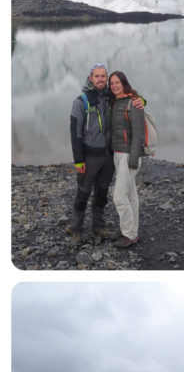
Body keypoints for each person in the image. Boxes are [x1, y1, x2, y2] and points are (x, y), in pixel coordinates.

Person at [68, 63, 144, 246]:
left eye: (104, 76)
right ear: (90, 78)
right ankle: (76, 229)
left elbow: (130, 98)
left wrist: (142, 101)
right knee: (83, 193)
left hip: (108, 157)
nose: (101, 80)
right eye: (97, 76)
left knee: (102, 193)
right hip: (89, 157)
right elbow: (75, 132)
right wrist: (78, 160)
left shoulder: (110, 98)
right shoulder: (81, 101)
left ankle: (99, 226)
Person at [108, 70, 145, 248]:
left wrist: (133, 159)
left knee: (119, 197)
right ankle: (130, 229)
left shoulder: (134, 103)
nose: (114, 86)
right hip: (118, 154)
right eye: (112, 83)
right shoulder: (115, 102)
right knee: (131, 195)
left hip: (129, 155)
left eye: (117, 82)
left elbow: (138, 134)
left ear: (124, 83)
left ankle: (129, 234)